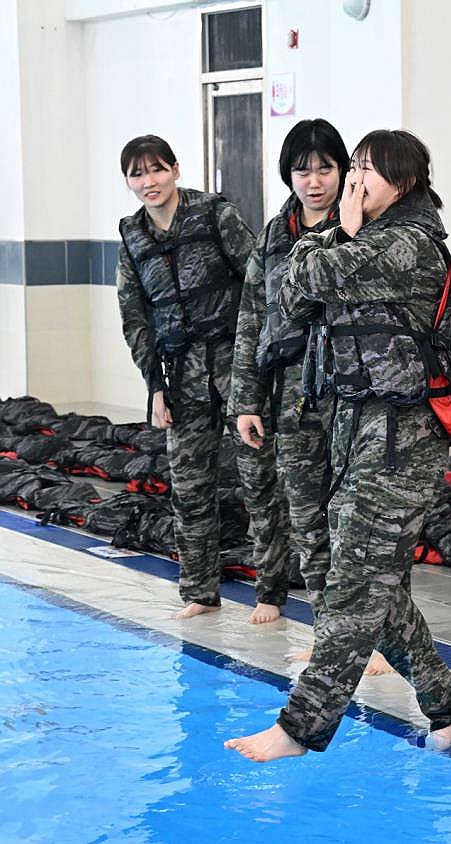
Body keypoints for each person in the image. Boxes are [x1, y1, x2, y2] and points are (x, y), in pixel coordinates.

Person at [225, 129, 451, 761]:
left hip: (402, 439)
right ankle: (442, 699)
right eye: (355, 169)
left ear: (404, 182)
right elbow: (284, 290)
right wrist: (342, 227)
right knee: (368, 582)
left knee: (354, 586)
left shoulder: (409, 245)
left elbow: (312, 274)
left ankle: (298, 727)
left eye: (364, 170)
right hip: (360, 429)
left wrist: (340, 224)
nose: (354, 181)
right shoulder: (368, 236)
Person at [116, 135, 268, 620]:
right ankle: (200, 592)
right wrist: (154, 387)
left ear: (175, 170)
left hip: (234, 364)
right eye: (138, 175)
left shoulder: (214, 214)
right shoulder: (131, 235)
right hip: (180, 377)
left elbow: (256, 281)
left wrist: (257, 367)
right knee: (189, 484)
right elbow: (134, 318)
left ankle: (271, 593)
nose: (148, 182)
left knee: (259, 478)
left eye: (156, 170)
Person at [228, 119, 344, 626]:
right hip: (290, 398)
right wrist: (246, 401)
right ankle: (329, 627)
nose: (314, 182)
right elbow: (252, 318)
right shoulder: (275, 234)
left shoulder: (361, 229)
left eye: (325, 169)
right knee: (304, 517)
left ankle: (365, 632)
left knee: (351, 515)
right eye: (303, 171)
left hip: (348, 394)